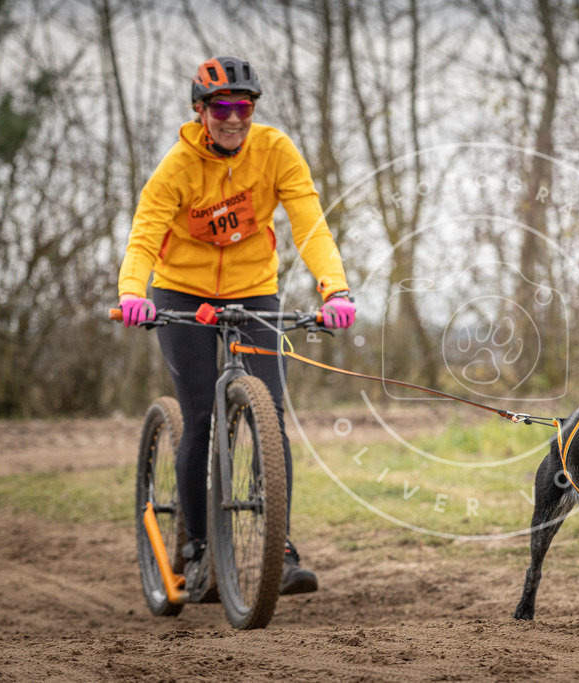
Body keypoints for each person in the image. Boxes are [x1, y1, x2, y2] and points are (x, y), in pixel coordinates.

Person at [117, 56, 355, 597]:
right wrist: (133, 294)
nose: (233, 118)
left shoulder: (275, 152)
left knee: (268, 409)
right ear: (200, 111)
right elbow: (144, 236)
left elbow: (310, 225)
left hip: (253, 292)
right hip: (181, 293)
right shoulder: (176, 168)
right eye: (221, 107)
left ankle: (281, 546)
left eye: (243, 107)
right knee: (201, 416)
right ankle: (198, 548)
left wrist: (334, 288)